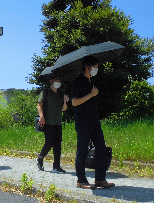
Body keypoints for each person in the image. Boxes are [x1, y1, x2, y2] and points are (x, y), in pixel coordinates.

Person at [71, 56, 115, 189]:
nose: (96, 69)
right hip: (83, 122)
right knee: (83, 151)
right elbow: (74, 102)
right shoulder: (77, 82)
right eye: (94, 66)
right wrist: (91, 94)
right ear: (87, 67)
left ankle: (100, 179)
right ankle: (81, 180)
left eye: (97, 67)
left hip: (95, 121)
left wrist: (93, 93)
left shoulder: (92, 82)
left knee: (101, 148)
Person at [36, 76, 69, 173]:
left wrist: (65, 101)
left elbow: (63, 109)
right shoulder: (45, 92)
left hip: (58, 123)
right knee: (49, 143)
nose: (58, 82)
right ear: (51, 81)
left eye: (59, 80)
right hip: (48, 122)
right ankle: (40, 158)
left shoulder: (60, 94)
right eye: (56, 80)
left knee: (58, 145)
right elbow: (39, 104)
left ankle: (56, 166)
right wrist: (41, 116)